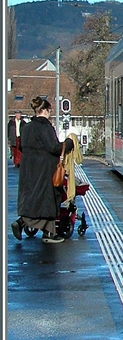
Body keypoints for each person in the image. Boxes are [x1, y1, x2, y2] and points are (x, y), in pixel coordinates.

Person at [11, 96, 69, 243]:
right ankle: (49, 233)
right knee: (47, 199)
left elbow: (22, 147)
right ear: (43, 110)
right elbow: (54, 147)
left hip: (28, 168)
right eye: (49, 110)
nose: (50, 113)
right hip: (45, 169)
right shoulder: (45, 127)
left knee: (32, 198)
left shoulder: (27, 127)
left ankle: (22, 222)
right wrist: (67, 144)